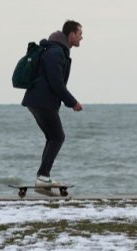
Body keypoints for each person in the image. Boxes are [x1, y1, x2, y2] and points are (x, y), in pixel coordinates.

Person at [22, 20, 83, 195]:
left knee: (53, 137)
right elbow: (56, 82)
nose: (81, 38)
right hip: (42, 101)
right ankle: (42, 177)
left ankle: (43, 177)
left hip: (39, 101)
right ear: (71, 34)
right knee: (57, 137)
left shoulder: (57, 50)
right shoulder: (55, 52)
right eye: (80, 34)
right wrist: (72, 102)